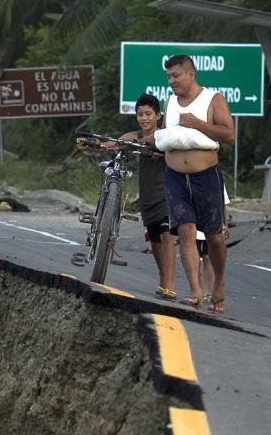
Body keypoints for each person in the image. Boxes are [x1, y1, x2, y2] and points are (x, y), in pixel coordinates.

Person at [76, 94, 182, 301]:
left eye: (148, 114)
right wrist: (93, 145)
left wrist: (161, 154)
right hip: (147, 195)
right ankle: (162, 277)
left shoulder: (166, 135)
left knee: (166, 234)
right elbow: (114, 144)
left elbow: (177, 154)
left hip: (168, 192)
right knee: (154, 238)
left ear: (158, 115)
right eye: (140, 114)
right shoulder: (134, 136)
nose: (144, 118)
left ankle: (170, 284)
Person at [154, 51, 234, 311]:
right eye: (168, 77)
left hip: (206, 177)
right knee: (186, 231)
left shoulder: (213, 99)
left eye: (176, 75)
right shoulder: (170, 102)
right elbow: (167, 137)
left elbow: (229, 135)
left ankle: (219, 283)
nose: (172, 81)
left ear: (191, 74)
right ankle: (195, 292)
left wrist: (197, 123)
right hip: (175, 177)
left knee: (213, 237)